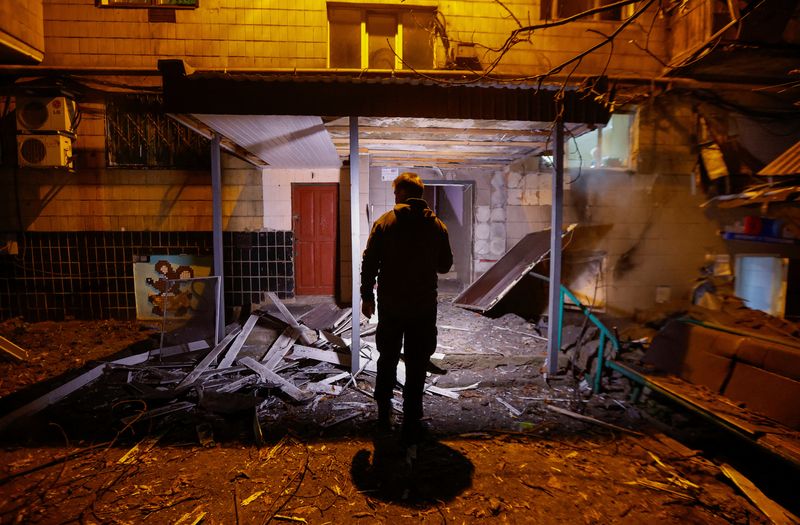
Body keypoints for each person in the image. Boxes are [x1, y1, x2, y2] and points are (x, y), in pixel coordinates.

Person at [360, 172, 453, 448]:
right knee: (417, 361)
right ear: (420, 195)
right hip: (423, 306)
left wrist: (367, 297)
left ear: (400, 193)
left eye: (394, 192)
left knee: (387, 357)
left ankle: (383, 413)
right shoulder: (437, 226)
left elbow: (369, 263)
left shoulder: (384, 223)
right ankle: (412, 418)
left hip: (391, 304)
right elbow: (445, 265)